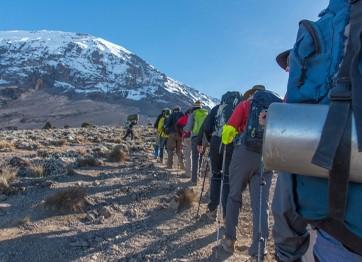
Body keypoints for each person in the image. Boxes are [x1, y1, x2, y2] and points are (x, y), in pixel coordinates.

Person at [221, 85, 274, 261]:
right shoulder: (274, 107)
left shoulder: (245, 105)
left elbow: (228, 131)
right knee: (261, 204)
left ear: (252, 94)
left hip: (244, 153)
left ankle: (229, 240)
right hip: (266, 156)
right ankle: (260, 248)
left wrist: (229, 137)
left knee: (234, 195)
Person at [197, 91, 242, 220]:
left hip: (216, 144)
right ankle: (228, 217)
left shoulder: (216, 108)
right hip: (232, 145)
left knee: (216, 176)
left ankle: (212, 210)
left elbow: (206, 127)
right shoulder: (239, 108)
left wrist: (210, 140)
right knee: (228, 178)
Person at [184, 101, 208, 185]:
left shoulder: (193, 114)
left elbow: (188, 127)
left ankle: (194, 180)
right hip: (205, 138)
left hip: (196, 137)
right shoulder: (206, 113)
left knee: (195, 157)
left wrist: (185, 130)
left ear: (194, 107)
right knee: (201, 156)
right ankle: (199, 177)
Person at [177, 108, 192, 177]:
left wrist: (181, 133)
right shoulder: (199, 116)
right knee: (195, 156)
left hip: (186, 137)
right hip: (197, 138)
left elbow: (178, 124)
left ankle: (187, 172)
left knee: (187, 155)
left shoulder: (185, 117)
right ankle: (195, 174)